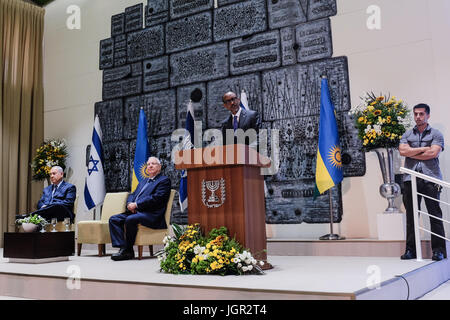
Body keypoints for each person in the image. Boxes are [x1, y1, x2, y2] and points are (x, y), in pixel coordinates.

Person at [399, 103, 446, 261]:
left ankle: (438, 251)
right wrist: (424, 149)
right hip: (410, 179)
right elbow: (402, 151)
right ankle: (410, 250)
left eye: (421, 114)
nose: (418, 117)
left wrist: (413, 152)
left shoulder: (436, 134)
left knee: (435, 215)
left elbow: (433, 153)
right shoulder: (407, 134)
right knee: (411, 216)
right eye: (416, 114)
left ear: (428, 116)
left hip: (430, 178)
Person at [109, 156, 171, 261]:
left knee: (130, 219)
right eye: (148, 164)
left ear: (159, 167)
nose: (150, 166)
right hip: (137, 212)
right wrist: (130, 203)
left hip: (152, 214)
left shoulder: (164, 180)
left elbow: (156, 198)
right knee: (114, 219)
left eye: (153, 164)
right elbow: (133, 195)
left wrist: (137, 205)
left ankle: (127, 250)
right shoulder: (143, 181)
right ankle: (124, 249)